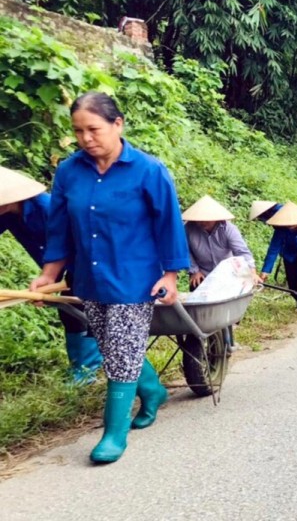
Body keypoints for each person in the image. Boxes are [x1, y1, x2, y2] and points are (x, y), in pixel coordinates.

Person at [30, 92, 190, 464]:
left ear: (118, 124)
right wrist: (49, 273)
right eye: (78, 131)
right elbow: (59, 228)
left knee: (121, 349)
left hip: (136, 277)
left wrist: (170, 274)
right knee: (113, 345)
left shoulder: (149, 170)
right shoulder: (69, 171)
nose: (86, 138)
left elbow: (168, 225)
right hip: (89, 277)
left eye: (94, 129)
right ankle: (152, 391)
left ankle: (113, 435)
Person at [0, 166, 103, 384]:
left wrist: (51, 280)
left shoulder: (47, 208)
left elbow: (76, 243)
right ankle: (80, 367)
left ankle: (88, 370)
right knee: (69, 314)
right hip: (55, 268)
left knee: (86, 310)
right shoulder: (7, 214)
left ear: (9, 198)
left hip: (85, 261)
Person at [183, 195, 260, 289]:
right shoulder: (188, 228)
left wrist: (252, 272)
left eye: (206, 220)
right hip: (201, 272)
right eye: (199, 220)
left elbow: (241, 251)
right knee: (197, 292)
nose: (202, 222)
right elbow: (185, 250)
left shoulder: (228, 229)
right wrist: (194, 271)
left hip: (226, 272)